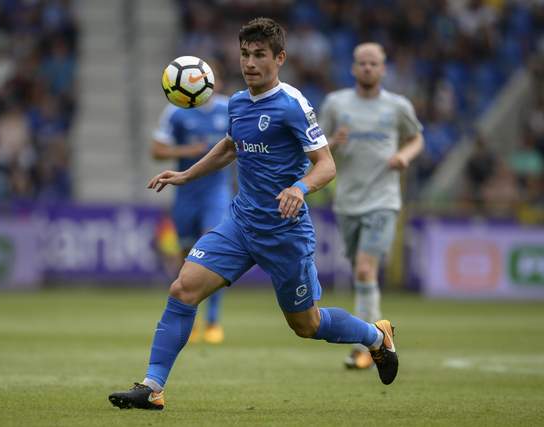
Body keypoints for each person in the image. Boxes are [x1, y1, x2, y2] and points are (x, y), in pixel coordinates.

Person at [109, 18, 398, 411]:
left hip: (285, 234)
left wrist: (299, 188)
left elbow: (326, 165)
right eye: (245, 54)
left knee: (306, 325)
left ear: (279, 58)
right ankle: (152, 386)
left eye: (259, 55)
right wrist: (187, 174)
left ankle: (376, 336)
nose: (249, 63)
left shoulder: (292, 104)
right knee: (182, 289)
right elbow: (231, 147)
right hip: (241, 224)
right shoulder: (238, 103)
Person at [318, 43, 424, 370]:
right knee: (360, 271)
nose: (367, 67)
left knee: (366, 269)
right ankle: (380, 334)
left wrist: (404, 156)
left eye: (373, 63)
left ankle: (367, 346)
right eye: (362, 63)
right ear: (353, 68)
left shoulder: (397, 106)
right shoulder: (336, 103)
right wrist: (334, 142)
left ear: (383, 68)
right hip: (348, 201)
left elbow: (416, 138)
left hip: (383, 199)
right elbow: (316, 144)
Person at [150, 67, 231, 344]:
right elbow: (156, 150)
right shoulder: (175, 111)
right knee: (187, 260)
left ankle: (213, 321)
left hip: (216, 192)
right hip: (185, 194)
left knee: (212, 250)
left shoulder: (229, 108)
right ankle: (191, 321)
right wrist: (187, 151)